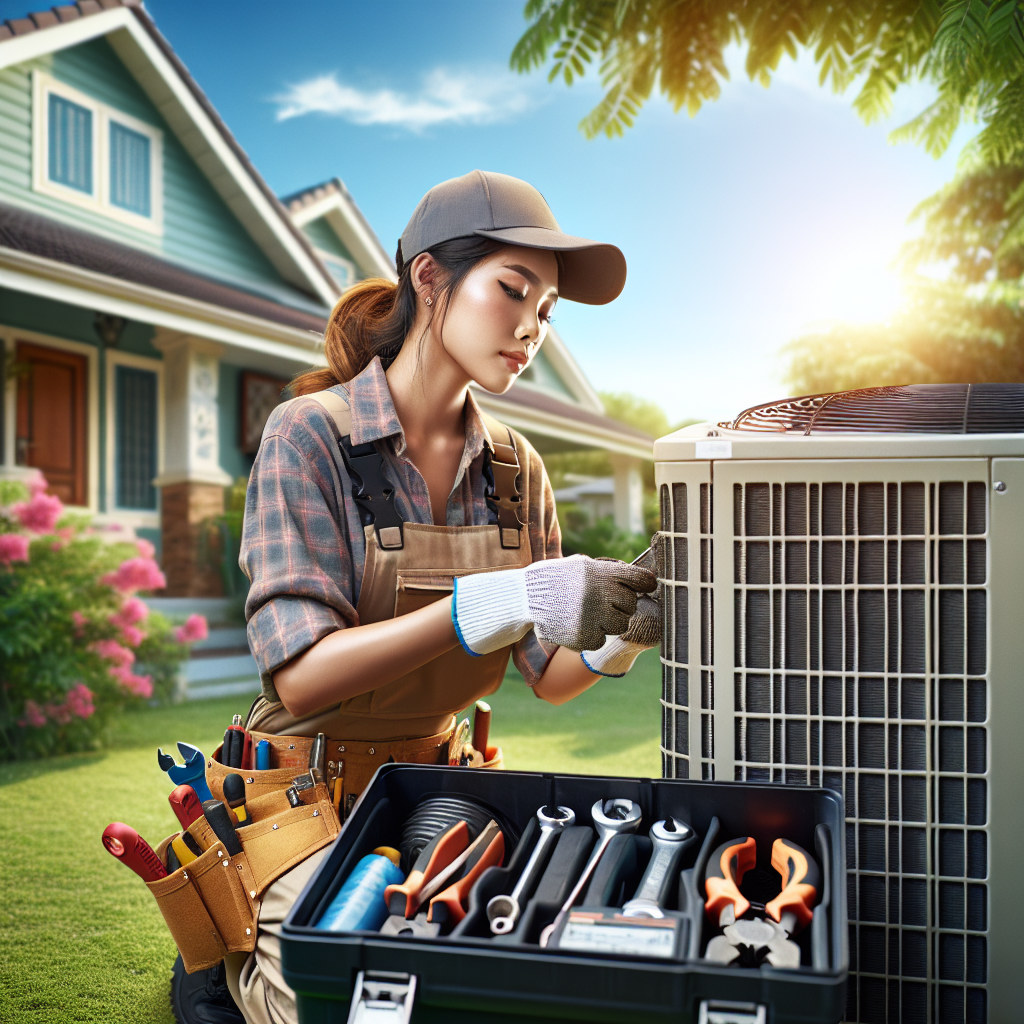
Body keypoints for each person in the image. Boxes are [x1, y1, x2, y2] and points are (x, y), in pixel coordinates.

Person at [218, 170, 661, 1024]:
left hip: (437, 795)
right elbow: (303, 677)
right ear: (430, 279)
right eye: (513, 289)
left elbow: (550, 674)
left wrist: (622, 631)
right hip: (300, 796)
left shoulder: (514, 469)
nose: (531, 326)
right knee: (342, 999)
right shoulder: (310, 436)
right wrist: (485, 603)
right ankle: (232, 961)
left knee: (514, 970)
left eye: (548, 311)